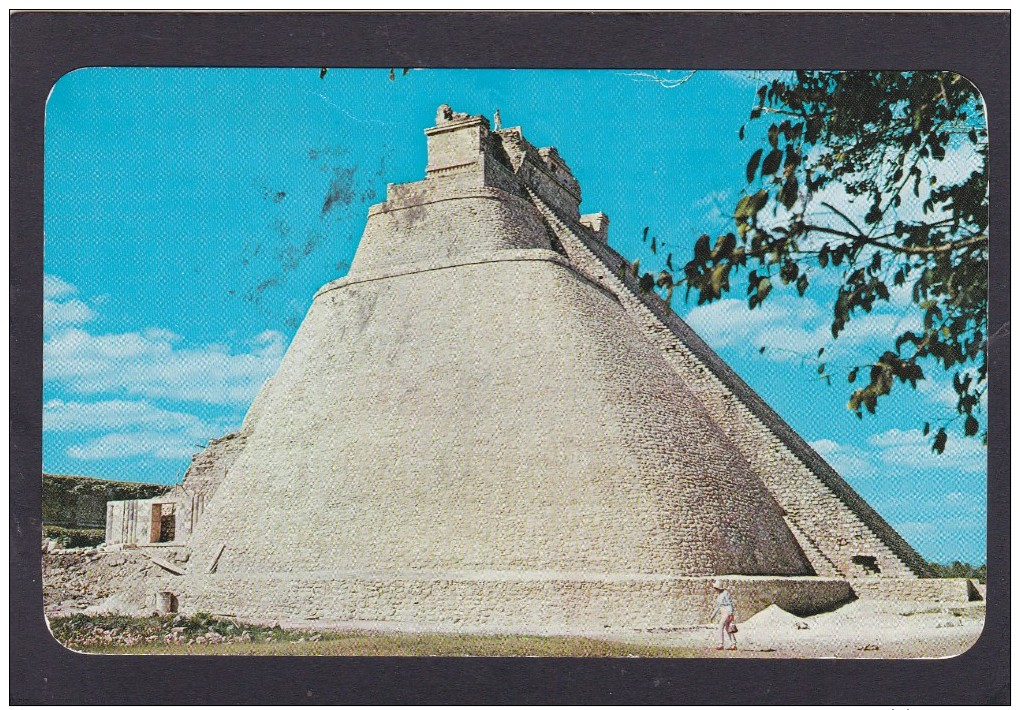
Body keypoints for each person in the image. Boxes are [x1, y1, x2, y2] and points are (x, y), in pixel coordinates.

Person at [712, 578, 737, 650]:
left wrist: (731, 613)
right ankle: (733, 644)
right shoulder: (719, 595)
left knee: (721, 625)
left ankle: (721, 644)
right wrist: (713, 615)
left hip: (727, 612)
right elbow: (718, 606)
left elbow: (730, 603)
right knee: (727, 628)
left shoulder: (725, 593)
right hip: (724, 612)